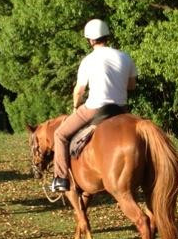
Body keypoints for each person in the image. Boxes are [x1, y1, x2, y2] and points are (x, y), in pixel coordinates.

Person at [51, 19, 137, 193]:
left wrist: (76, 107)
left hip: (96, 108)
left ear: (90, 40)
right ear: (107, 36)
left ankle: (61, 178)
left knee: (59, 134)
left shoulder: (88, 60)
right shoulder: (125, 57)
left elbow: (79, 90)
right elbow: (132, 86)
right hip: (121, 109)